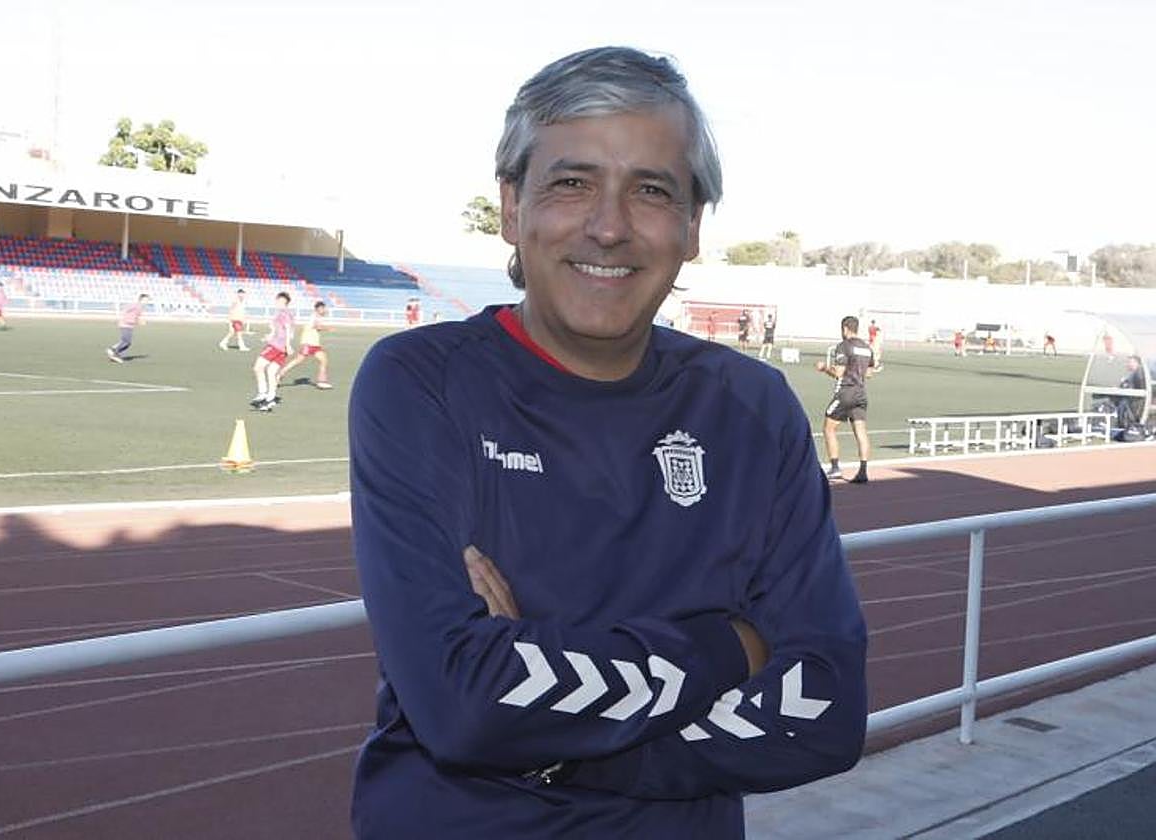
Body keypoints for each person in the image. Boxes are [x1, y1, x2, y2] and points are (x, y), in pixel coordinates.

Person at [348, 46, 867, 839]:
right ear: (511, 206)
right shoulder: (423, 385)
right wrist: (733, 645)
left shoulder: (751, 409)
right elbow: (460, 703)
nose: (610, 224)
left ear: (692, 227)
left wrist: (545, 739)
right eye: (571, 182)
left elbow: (824, 710)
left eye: (652, 191)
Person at [815, 315, 875, 483]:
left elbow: (838, 373)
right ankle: (863, 470)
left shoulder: (843, 346)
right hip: (861, 393)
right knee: (861, 431)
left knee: (829, 428)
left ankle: (835, 468)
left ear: (845, 329)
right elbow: (869, 373)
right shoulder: (866, 347)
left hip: (846, 392)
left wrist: (824, 368)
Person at [250, 291, 294, 411]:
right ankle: (270, 398)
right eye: (277, 301)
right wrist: (269, 336)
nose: (278, 303)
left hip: (277, 346)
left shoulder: (284, 313)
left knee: (258, 367)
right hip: (280, 346)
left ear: (285, 303)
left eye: (281, 301)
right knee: (271, 372)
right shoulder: (281, 313)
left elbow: (288, 329)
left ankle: (262, 393)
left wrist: (288, 345)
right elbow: (278, 330)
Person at [277, 300, 333, 389]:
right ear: (319, 309)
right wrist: (327, 328)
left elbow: (315, 328)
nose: (325, 311)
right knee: (298, 361)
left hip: (315, 344)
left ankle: (322, 382)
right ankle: (280, 374)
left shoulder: (316, 317)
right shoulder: (314, 317)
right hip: (308, 343)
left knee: (323, 360)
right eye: (323, 309)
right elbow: (317, 326)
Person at [106, 293, 149, 362]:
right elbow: (126, 311)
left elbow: (135, 317)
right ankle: (113, 351)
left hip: (129, 325)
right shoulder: (135, 305)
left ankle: (115, 352)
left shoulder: (140, 308)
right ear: (141, 299)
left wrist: (139, 321)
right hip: (125, 324)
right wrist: (127, 319)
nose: (147, 301)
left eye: (148, 300)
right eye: (146, 300)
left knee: (127, 342)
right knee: (126, 341)